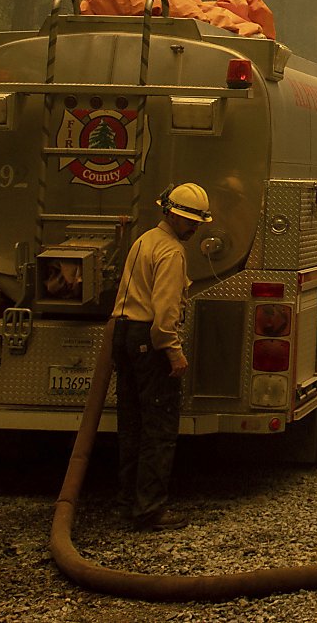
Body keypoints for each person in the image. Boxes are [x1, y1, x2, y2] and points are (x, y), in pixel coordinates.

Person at [112, 181, 211, 530]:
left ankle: (128, 503)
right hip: (149, 338)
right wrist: (174, 352)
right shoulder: (171, 252)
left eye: (197, 222)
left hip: (124, 333)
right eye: (188, 221)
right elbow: (164, 310)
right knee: (158, 428)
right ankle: (150, 510)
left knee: (132, 425)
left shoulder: (144, 241)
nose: (194, 227)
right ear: (170, 213)